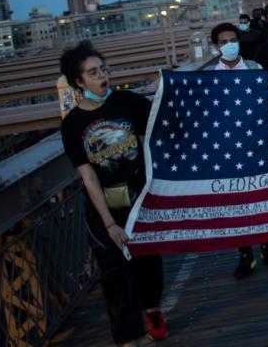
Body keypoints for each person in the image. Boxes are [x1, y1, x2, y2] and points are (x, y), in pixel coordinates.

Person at [59, 41, 168, 346]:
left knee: (148, 261)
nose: (102, 76)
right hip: (104, 207)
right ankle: (127, 336)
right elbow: (88, 176)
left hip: (139, 199)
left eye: (103, 69)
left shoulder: (128, 103)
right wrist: (109, 223)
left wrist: (165, 88)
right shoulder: (72, 125)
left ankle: (153, 310)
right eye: (93, 73)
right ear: (79, 82)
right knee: (114, 273)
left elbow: (161, 123)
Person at [207, 23, 268, 279]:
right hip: (228, 148)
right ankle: (244, 254)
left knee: (260, 195)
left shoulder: (253, 68)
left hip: (255, 141)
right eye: (223, 41)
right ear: (216, 46)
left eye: (233, 39)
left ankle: (266, 243)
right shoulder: (209, 77)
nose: (229, 44)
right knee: (237, 202)